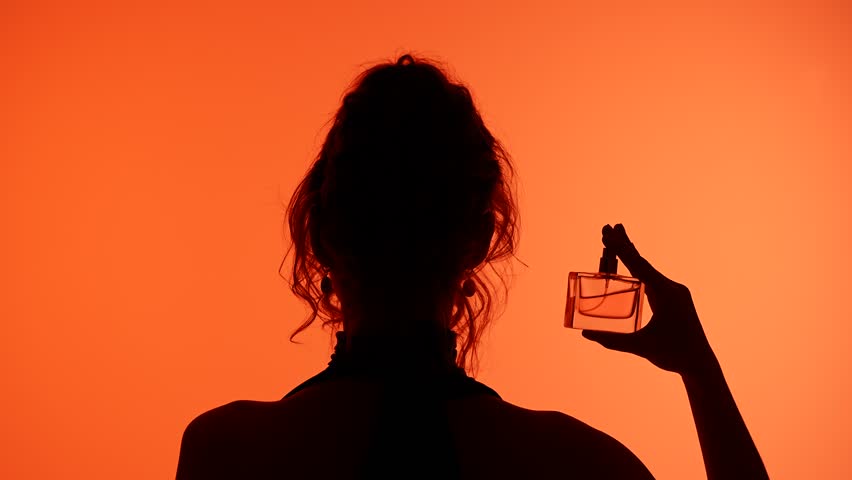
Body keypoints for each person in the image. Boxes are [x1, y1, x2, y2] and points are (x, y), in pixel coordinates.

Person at [176, 54, 768, 479]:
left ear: (319, 232)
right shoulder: (580, 462)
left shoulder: (225, 451)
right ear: (482, 240)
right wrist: (700, 369)